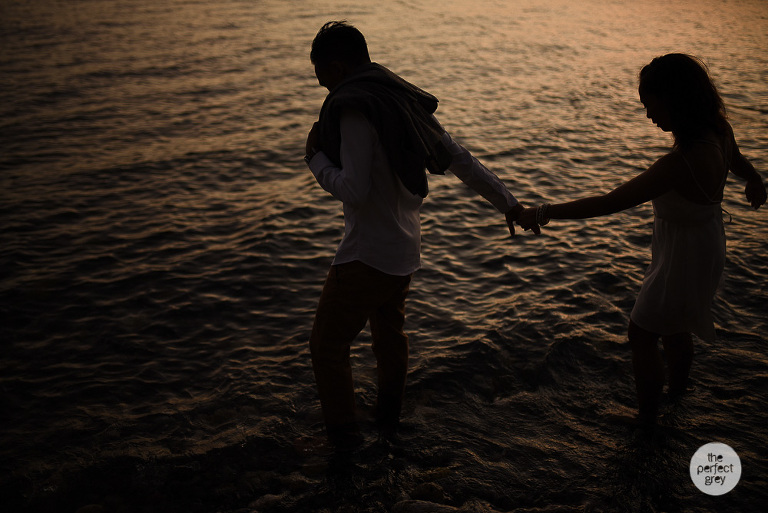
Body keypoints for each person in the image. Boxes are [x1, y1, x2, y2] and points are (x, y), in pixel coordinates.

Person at [304, 20, 535, 448]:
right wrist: (510, 204)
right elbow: (460, 159)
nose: (323, 86)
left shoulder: (353, 108)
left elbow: (354, 190)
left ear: (336, 68)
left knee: (326, 347)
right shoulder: (398, 98)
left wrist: (316, 159)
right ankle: (388, 424)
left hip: (366, 255)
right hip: (404, 252)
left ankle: (343, 443)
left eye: (321, 75)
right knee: (389, 342)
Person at [517, 53, 766, 424]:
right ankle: (677, 397)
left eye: (651, 105)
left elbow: (609, 202)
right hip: (705, 245)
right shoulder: (719, 131)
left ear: (675, 100)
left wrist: (543, 212)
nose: (648, 115)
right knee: (677, 325)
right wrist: (755, 180)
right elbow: (739, 162)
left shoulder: (679, 164)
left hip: (682, 256)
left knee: (642, 333)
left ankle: (647, 421)